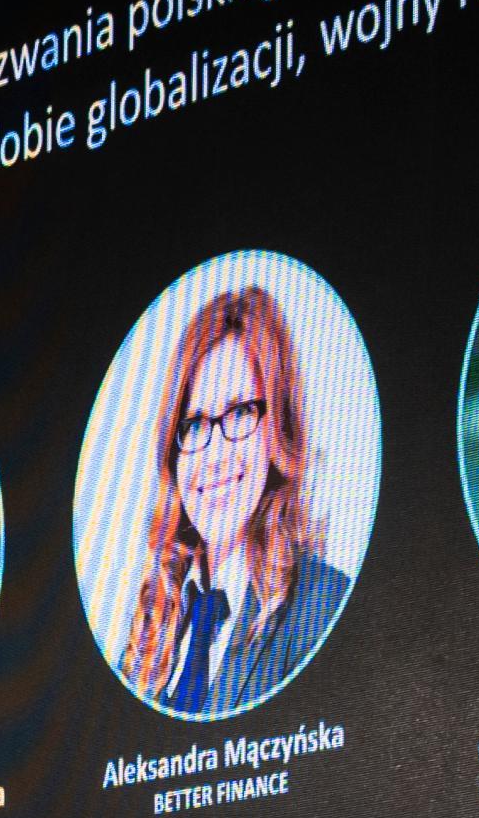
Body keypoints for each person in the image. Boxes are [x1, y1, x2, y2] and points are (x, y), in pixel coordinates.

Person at [114, 285, 353, 715]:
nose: (213, 454)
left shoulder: (326, 607)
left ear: (279, 428)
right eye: (194, 424)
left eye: (240, 412)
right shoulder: (149, 619)